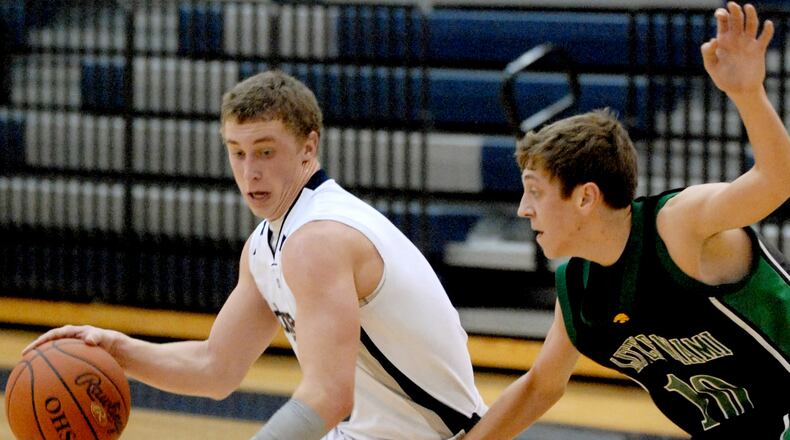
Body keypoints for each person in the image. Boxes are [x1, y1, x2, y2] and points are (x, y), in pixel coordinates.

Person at [24, 70, 487, 439]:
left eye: (266, 151)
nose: (250, 172)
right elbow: (216, 370)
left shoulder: (318, 239)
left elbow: (329, 396)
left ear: (310, 146)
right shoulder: (265, 247)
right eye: (238, 153)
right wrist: (118, 350)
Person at [464, 2, 789, 439]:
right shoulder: (578, 290)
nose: (523, 208)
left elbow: (777, 180)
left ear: (585, 198)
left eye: (535, 192)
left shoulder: (678, 225)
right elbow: (540, 387)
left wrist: (748, 94)